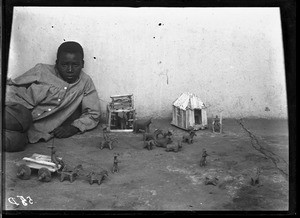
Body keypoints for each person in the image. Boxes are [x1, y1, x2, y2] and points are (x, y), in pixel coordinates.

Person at [4, 41, 101, 152]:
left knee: (17, 143)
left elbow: (93, 113)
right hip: (15, 113)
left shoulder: (85, 83)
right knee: (24, 117)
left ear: (82, 64)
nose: (70, 70)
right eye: (64, 65)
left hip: (35, 129)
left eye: (75, 65)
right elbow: (14, 85)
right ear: (57, 63)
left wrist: (74, 127)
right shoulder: (42, 70)